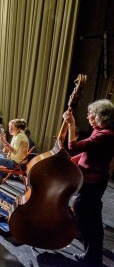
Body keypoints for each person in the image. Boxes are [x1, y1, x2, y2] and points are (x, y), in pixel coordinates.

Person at [63, 99, 114, 266]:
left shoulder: (104, 135)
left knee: (85, 214)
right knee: (90, 218)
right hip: (93, 182)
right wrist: (70, 161)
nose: (88, 116)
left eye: (90, 113)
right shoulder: (100, 131)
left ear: (100, 116)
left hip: (93, 183)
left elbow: (73, 145)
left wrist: (71, 124)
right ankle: (92, 257)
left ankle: (92, 258)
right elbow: (87, 154)